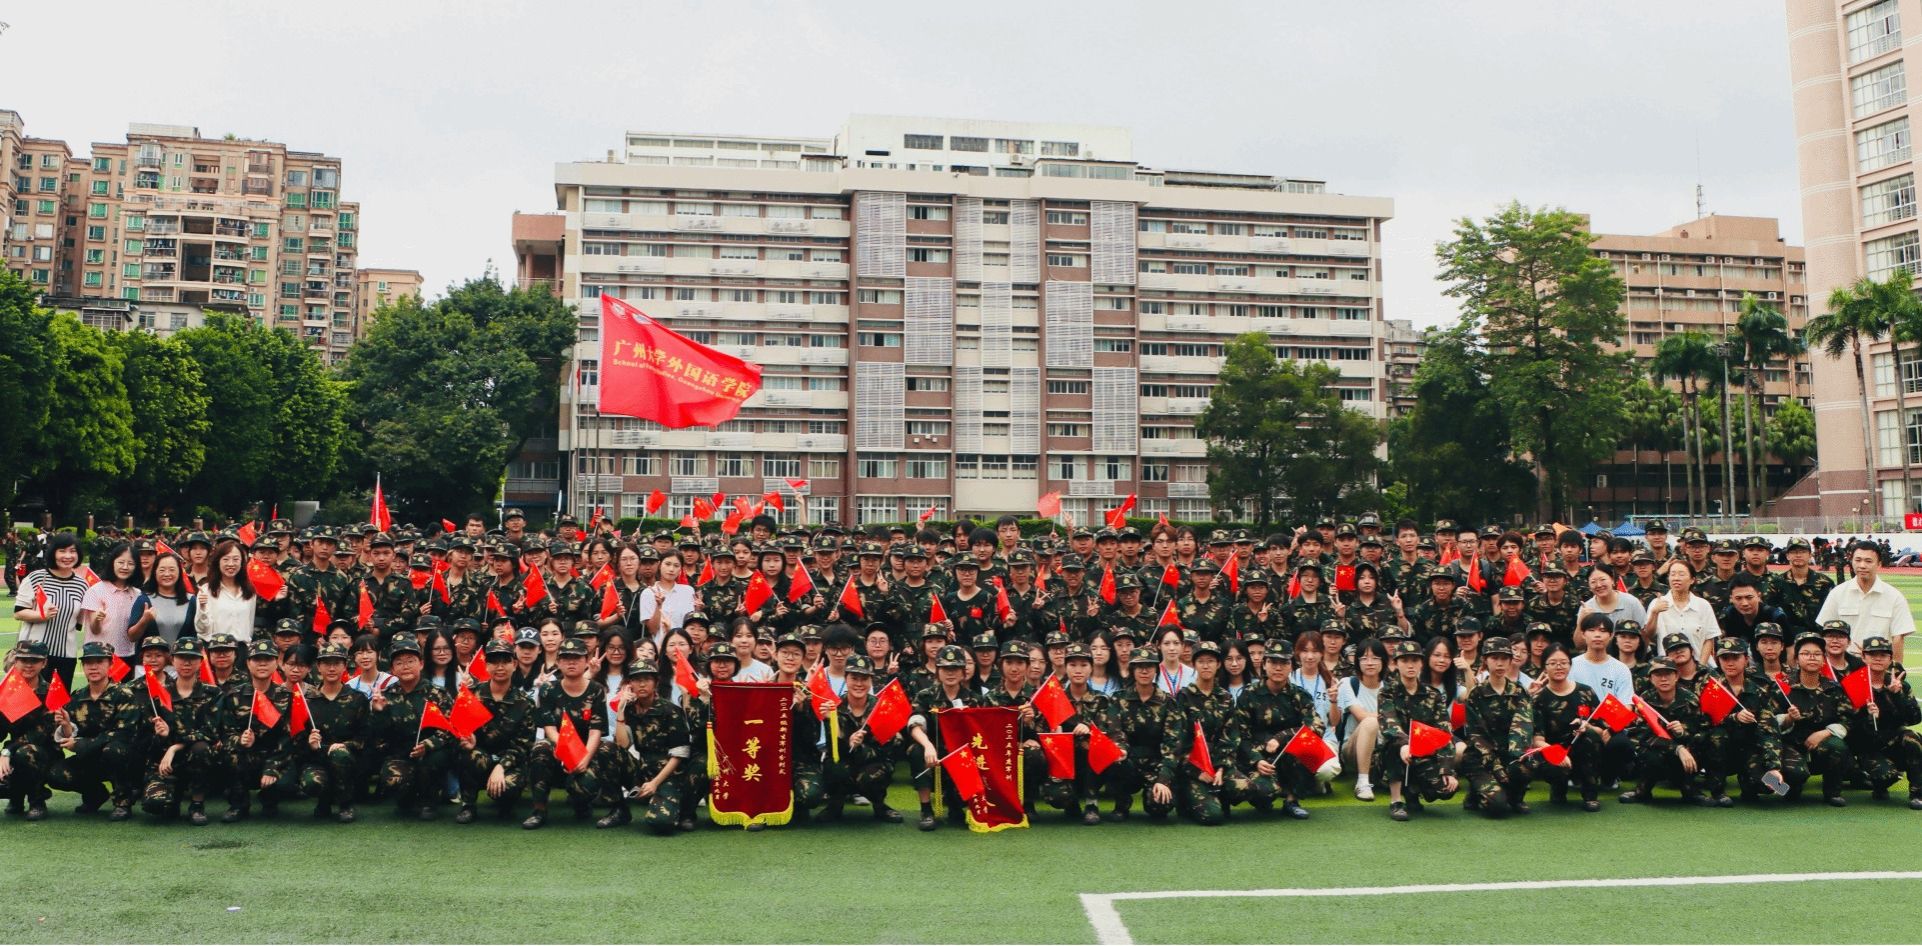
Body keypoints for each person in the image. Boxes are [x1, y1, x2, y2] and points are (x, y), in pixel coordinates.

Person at [368, 637, 453, 821]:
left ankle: (429, 801)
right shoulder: (386, 696)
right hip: (400, 753)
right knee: (393, 779)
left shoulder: (437, 694)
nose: (405, 666)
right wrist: (379, 712)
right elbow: (378, 736)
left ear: (421, 664)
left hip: (430, 753)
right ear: (392, 670)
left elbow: (451, 728)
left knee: (437, 759)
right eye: (399, 663)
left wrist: (428, 745)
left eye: (410, 661)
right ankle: (406, 798)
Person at [139, 636, 221, 825]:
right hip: (166, 763)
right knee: (156, 805)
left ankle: (197, 804)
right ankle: (173, 796)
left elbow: (211, 732)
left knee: (201, 748)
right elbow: (146, 741)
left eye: (192, 658)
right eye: (182, 657)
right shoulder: (159, 695)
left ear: (200, 661)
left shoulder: (212, 694)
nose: (187, 663)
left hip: (196, 759)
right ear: (173, 660)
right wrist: (161, 737)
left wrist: (174, 746)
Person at [603, 657, 690, 833]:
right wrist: (620, 710)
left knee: (660, 823)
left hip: (668, 774)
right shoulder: (630, 709)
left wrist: (655, 783)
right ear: (630, 684)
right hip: (642, 771)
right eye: (636, 679)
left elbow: (679, 755)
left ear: (656, 682)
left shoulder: (670, 711)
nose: (642, 684)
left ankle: (676, 806)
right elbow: (622, 745)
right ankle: (619, 810)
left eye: (647, 679)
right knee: (607, 750)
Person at [210, 640, 294, 822]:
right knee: (229, 757)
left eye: (267, 659)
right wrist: (240, 740)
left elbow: (288, 738)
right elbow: (226, 734)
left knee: (287, 785)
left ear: (276, 663)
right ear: (248, 663)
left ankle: (270, 799)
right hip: (245, 756)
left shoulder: (287, 697)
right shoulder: (234, 696)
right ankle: (238, 804)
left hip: (275, 756)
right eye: (257, 660)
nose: (262, 664)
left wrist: (272, 768)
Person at [1234, 643, 1320, 819]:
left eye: (1284, 663)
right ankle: (1265, 797)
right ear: (1264, 664)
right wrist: (1256, 760)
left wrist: (1282, 736)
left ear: (1292, 666)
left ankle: (1291, 801)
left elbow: (1316, 727)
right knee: (1264, 793)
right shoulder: (1249, 694)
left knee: (1310, 747)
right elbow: (1239, 734)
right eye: (1273, 662)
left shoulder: (1299, 695)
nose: (1278, 668)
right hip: (1259, 755)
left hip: (1288, 755)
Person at [1377, 638, 1460, 822]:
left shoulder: (1433, 695)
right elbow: (1389, 724)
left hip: (1424, 753)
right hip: (1393, 755)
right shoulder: (1387, 693)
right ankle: (1396, 801)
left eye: (1415, 660)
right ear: (1395, 664)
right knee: (1394, 745)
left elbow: (1444, 732)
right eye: (1404, 660)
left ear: (1422, 663)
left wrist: (1447, 769)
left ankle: (1412, 790)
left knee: (1445, 789)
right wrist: (1404, 744)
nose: (1410, 665)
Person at [1458, 637, 1534, 817]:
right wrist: (1497, 768)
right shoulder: (1476, 694)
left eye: (1504, 658)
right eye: (1494, 658)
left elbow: (1523, 728)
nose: (1500, 663)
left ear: (1510, 660)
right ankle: (1477, 793)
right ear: (1485, 660)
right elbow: (1477, 736)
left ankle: (1515, 798)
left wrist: (1515, 760)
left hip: (1509, 753)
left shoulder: (1519, 692)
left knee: (1528, 765)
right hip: (1481, 758)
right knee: (1498, 808)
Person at [296, 643, 370, 823]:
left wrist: (343, 746)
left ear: (345, 666)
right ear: (318, 667)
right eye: (326, 663)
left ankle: (346, 804)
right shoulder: (307, 700)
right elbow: (297, 740)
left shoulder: (357, 698)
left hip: (348, 759)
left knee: (340, 755)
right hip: (317, 759)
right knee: (312, 783)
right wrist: (310, 744)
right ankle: (325, 800)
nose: (331, 668)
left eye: (336, 663)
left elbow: (365, 737)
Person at [826, 655, 903, 824]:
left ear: (871, 680)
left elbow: (887, 750)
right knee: (833, 768)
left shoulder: (881, 708)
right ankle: (835, 805)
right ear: (846, 679)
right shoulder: (834, 708)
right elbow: (832, 749)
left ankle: (880, 806)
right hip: (844, 760)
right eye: (854, 678)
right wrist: (846, 740)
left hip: (872, 763)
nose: (859, 684)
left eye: (864, 679)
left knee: (874, 775)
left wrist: (860, 747)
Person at [1848, 635, 1922, 809]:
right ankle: (1878, 784)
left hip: (1893, 740)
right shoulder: (1855, 683)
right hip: (1867, 746)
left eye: (1883, 655)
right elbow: (1849, 724)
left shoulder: (1899, 684)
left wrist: (1897, 696)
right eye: (1872, 654)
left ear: (1890, 659)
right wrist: (1868, 716)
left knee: (1913, 738)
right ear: (1863, 657)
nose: (1878, 659)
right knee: (1886, 776)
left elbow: (1914, 718)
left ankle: (1917, 793)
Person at [1780, 633, 1851, 807]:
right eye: (1805, 653)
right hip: (1788, 746)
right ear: (1796, 659)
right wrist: (1788, 719)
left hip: (1819, 746)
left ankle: (1832, 793)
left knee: (1838, 746)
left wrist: (1825, 733)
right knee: (1784, 785)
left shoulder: (1834, 688)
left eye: (1817, 654)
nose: (1812, 657)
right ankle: (1782, 787)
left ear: (1824, 659)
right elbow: (1768, 723)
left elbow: (1848, 720)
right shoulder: (1782, 686)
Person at [1815, 541, 1915, 662]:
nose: (1862, 565)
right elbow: (1824, 632)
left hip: (1878, 665)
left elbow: (1898, 638)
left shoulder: (1894, 597)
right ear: (1851, 561)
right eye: (1858, 560)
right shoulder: (1837, 593)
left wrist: (1895, 669)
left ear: (1879, 564)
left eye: (1868, 561)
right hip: (1844, 665)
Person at [14, 532, 90, 684]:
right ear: (53, 553)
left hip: (66, 655)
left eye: (72, 551)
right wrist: (41, 616)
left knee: (59, 698)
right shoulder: (36, 578)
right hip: (33, 655)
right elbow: (19, 612)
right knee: (30, 697)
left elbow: (78, 623)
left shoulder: (82, 585)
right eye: (62, 551)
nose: (67, 556)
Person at [1337, 638, 1387, 801]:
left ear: (1383, 661)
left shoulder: (1390, 688)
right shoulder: (1348, 684)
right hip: (1352, 749)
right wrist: (1386, 717)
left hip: (1382, 748)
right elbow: (1361, 715)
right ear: (1357, 662)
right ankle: (1362, 782)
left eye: (1375, 658)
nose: (1369, 663)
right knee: (1370, 722)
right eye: (1364, 658)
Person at [79, 541, 144, 659]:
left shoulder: (137, 594)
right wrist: (97, 619)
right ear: (112, 563)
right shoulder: (96, 591)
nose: (125, 567)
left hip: (127, 655)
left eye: (130, 563)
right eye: (121, 562)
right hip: (99, 655)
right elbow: (94, 630)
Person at [196, 539, 262, 643]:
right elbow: (202, 630)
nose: (231, 564)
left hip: (242, 648)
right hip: (216, 647)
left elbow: (249, 626)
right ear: (218, 562)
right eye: (226, 559)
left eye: (236, 559)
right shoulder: (206, 590)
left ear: (242, 562)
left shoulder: (249, 591)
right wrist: (202, 608)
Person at [141, 553, 195, 645]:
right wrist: (144, 620)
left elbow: (197, 633)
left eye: (172, 570)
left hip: (183, 654)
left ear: (179, 572)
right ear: (155, 572)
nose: (167, 574)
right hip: (151, 654)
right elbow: (132, 636)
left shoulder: (191, 600)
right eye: (162, 570)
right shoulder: (144, 599)